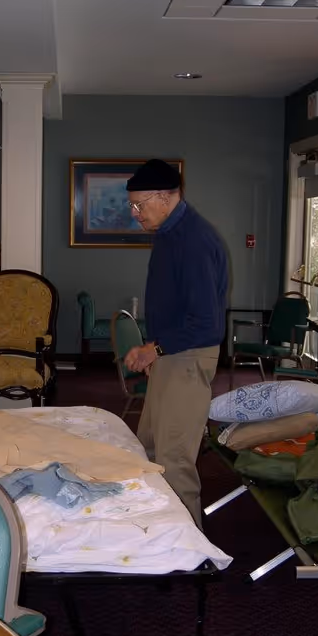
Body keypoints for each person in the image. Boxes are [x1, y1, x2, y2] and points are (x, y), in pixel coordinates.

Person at [123, 159, 228, 528]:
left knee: (174, 459)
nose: (135, 213)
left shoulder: (194, 241)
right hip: (171, 354)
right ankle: (158, 532)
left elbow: (206, 324)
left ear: (166, 198)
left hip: (187, 357)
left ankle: (191, 556)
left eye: (140, 205)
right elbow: (175, 305)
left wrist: (158, 349)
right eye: (132, 206)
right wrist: (153, 346)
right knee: (148, 446)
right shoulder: (169, 235)